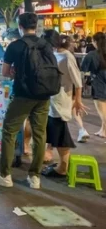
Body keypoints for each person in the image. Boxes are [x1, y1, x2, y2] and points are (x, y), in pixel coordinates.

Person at [0, 13, 57, 190]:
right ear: (36, 26)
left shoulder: (15, 46)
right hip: (44, 95)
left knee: (9, 132)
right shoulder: (46, 45)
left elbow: (4, 72)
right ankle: (35, 177)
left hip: (23, 95)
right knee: (39, 135)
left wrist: (15, 73)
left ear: (20, 26)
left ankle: (5, 175)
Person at [40, 31, 86, 178]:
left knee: (60, 134)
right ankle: (60, 164)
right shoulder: (52, 54)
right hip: (51, 98)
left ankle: (63, 168)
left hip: (61, 100)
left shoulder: (67, 56)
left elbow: (77, 81)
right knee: (55, 131)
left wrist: (78, 100)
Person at [82, 32, 106, 138]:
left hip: (99, 84)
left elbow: (83, 69)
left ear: (95, 42)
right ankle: (103, 130)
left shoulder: (92, 55)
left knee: (102, 111)